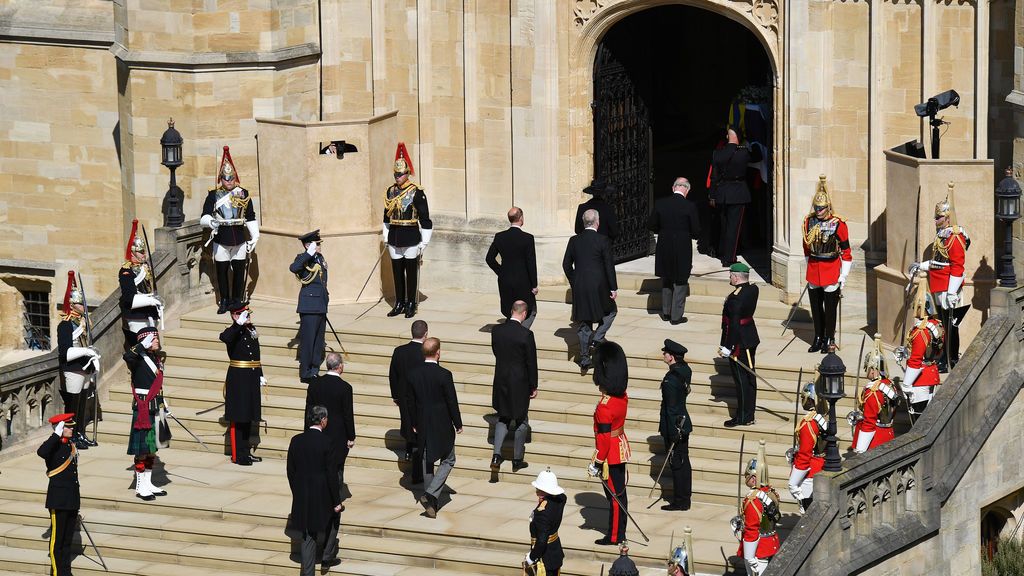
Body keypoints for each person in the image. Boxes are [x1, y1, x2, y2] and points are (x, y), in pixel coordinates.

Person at [406, 337, 463, 518]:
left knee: (427, 461)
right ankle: (430, 494)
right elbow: (451, 400)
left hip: (423, 422)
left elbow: (410, 403)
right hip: (442, 423)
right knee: (449, 459)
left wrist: (413, 422)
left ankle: (431, 501)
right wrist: (458, 423)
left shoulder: (413, 374)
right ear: (438, 352)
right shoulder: (444, 374)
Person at [914, 190, 970, 372]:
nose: (935, 220)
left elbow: (957, 266)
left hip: (948, 287)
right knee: (944, 325)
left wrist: (953, 291)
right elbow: (939, 261)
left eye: (938, 217)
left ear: (947, 218)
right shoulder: (942, 235)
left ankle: (951, 359)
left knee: (951, 326)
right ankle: (945, 358)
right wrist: (921, 265)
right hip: (939, 285)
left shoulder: (954, 237)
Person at [200, 145, 259, 314]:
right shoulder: (213, 195)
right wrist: (211, 222)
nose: (229, 181)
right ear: (221, 179)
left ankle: (237, 299)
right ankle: (224, 300)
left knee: (239, 271)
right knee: (222, 271)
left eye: (232, 178)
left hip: (239, 237)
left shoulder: (243, 193)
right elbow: (204, 215)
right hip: (221, 238)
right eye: (226, 179)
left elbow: (250, 216)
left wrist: (255, 236)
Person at [287, 405, 343, 575]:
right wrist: (336, 501)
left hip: (303, 495)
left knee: (307, 536)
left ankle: (308, 572)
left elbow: (291, 471)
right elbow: (331, 475)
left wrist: (297, 492)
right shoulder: (327, 442)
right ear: (323, 420)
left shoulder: (296, 440)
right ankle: (326, 556)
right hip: (323, 496)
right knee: (335, 517)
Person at [562, 208, 618, 370]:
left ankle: (585, 358)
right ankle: (597, 338)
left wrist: (575, 281)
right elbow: (609, 266)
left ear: (583, 222)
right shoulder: (603, 240)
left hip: (581, 286)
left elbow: (566, 265)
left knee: (584, 322)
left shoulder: (574, 240)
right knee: (611, 311)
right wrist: (613, 287)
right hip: (599, 286)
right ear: (597, 222)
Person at [802, 175, 852, 353]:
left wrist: (843, 275)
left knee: (830, 309)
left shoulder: (838, 224)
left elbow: (846, 251)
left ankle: (829, 337)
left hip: (831, 269)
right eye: (816, 207)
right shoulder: (809, 221)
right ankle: (818, 336)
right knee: (816, 308)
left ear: (828, 207)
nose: (818, 211)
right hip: (814, 268)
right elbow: (806, 246)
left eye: (821, 208)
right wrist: (809, 265)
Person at [588, 341, 631, 546]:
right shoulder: (622, 397)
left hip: (609, 454)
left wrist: (597, 461)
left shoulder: (604, 407)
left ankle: (615, 536)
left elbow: (604, 439)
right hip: (619, 447)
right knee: (620, 494)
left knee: (614, 497)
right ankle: (619, 531)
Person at [383, 143, 433, 318]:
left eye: (400, 174)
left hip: (411, 237)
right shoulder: (390, 191)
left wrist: (423, 243)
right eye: (396, 174)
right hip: (395, 237)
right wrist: (385, 236)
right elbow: (386, 217)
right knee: (397, 272)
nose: (397, 177)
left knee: (411, 272)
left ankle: (411, 302)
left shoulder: (417, 192)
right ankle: (399, 302)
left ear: (407, 174)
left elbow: (426, 220)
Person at [490, 300, 539, 474]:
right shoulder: (526, 335)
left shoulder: (497, 331)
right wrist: (533, 385)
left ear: (511, 311)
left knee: (503, 417)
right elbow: (531, 362)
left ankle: (496, 455)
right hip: (519, 382)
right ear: (524, 314)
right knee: (521, 419)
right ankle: (517, 459)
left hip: (502, 379)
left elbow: (496, 351)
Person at [123, 326, 168, 501]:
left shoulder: (155, 358)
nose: (157, 341)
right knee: (142, 449)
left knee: (151, 449)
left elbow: (157, 384)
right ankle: (140, 487)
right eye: (154, 338)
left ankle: (148, 484)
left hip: (156, 405)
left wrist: (164, 404)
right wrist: (141, 345)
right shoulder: (138, 358)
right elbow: (127, 356)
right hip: (143, 408)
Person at [56, 271, 100, 449]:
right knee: (72, 406)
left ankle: (80, 433)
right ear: (73, 305)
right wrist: (86, 351)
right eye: (81, 303)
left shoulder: (84, 321)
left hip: (85, 368)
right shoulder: (66, 324)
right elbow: (66, 352)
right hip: (73, 368)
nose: (84, 306)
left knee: (83, 404)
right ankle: (71, 435)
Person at [649, 177, 701, 325]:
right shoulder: (690, 206)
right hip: (682, 246)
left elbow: (651, 224)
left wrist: (664, 231)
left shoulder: (661, 203)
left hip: (664, 244)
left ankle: (666, 312)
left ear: (673, 188)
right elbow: (696, 230)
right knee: (681, 279)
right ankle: (676, 316)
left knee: (667, 277)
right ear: (687, 190)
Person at [220, 304, 265, 466]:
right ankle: (238, 455)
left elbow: (255, 354)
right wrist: (237, 324)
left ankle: (246, 452)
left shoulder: (250, 330)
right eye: (244, 314)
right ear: (234, 315)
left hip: (251, 377)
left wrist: (260, 375)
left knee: (248, 417)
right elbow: (225, 338)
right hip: (238, 379)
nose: (248, 317)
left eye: (248, 314)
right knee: (239, 418)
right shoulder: (233, 331)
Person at [710, 126, 762, 266]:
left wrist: (712, 196)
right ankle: (729, 258)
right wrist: (755, 145)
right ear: (738, 138)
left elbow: (714, 177)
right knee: (734, 227)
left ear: (728, 137)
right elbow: (758, 156)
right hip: (738, 194)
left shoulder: (717, 153)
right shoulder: (743, 152)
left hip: (721, 194)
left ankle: (721, 250)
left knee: (725, 225)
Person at [306, 353, 356, 494]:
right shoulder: (345, 388)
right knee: (337, 467)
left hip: (317, 433)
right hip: (338, 436)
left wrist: (307, 431)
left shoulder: (314, 384)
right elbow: (348, 414)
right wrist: (351, 436)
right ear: (340, 366)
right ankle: (335, 499)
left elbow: (308, 411)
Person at [37, 413, 80, 576]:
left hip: (71, 499)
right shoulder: (53, 446)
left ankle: (66, 572)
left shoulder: (71, 445)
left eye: (70, 426)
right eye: (68, 427)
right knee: (57, 540)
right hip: (58, 500)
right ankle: (56, 573)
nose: (71, 429)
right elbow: (41, 452)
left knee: (67, 540)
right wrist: (56, 434)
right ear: (60, 428)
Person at [719, 262, 760, 427]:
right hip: (749, 337)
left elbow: (733, 325)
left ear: (736, 277)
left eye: (730, 275)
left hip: (740, 342)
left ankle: (744, 416)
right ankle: (748, 413)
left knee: (743, 380)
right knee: (749, 377)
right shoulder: (753, 289)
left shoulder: (735, 298)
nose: (730, 277)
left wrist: (728, 347)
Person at [485, 207, 539, 328]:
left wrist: (501, 272)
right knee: (530, 310)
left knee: (510, 310)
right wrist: (534, 284)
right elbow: (531, 262)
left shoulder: (500, 236)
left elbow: (489, 259)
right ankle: (519, 333)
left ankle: (511, 331)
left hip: (506, 280)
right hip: (523, 281)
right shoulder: (527, 238)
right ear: (521, 218)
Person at [388, 320, 428, 483]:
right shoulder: (427, 352)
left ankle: (407, 451)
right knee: (419, 432)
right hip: (421, 399)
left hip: (404, 398)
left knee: (407, 423)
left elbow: (393, 375)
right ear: (425, 334)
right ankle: (417, 473)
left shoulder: (399, 351)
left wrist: (396, 396)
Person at [289, 229, 330, 382]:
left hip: (320, 304)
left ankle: (314, 370)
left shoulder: (320, 258)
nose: (319, 246)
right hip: (309, 305)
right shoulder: (303, 258)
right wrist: (308, 254)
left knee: (318, 341)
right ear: (308, 246)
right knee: (308, 341)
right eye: (316, 244)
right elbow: (293, 268)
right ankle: (305, 373)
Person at [900, 276, 944, 414]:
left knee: (919, 416)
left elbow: (916, 358)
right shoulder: (936, 325)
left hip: (921, 377)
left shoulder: (921, 331)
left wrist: (906, 383)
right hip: (932, 372)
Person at [658, 339, 692, 511]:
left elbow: (671, 408)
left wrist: (672, 432)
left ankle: (681, 501)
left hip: (675, 425)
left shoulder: (670, 380)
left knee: (677, 463)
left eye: (666, 353)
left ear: (671, 357)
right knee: (683, 461)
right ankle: (684, 498)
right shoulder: (685, 370)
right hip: (684, 421)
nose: (663, 355)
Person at [737, 442, 781, 576]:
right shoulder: (771, 492)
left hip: (758, 549)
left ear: (754, 477)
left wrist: (750, 556)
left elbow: (751, 529)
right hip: (771, 541)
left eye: (749, 475)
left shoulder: (753, 499)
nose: (747, 478)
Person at [119, 218, 162, 349]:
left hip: (149, 313)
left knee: (152, 348)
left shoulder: (145, 267)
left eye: (144, 251)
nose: (144, 254)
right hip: (136, 315)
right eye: (141, 252)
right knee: (140, 348)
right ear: (132, 253)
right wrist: (150, 300)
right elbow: (129, 297)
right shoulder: (126, 271)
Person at [851, 334, 899, 453]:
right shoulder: (889, 384)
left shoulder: (873, 391)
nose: (865, 370)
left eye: (867, 367)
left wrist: (860, 449)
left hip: (875, 440)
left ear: (873, 369)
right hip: (888, 433)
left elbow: (869, 423)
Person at [787, 382, 826, 514]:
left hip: (811, 471)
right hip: (823, 464)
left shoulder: (808, 423)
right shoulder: (822, 418)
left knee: (808, 513)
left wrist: (793, 482)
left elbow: (804, 454)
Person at [523, 468, 567, 576]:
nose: (537, 491)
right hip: (555, 551)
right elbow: (561, 495)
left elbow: (542, 541)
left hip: (545, 557)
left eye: (540, 489)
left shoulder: (542, 514)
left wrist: (532, 557)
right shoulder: (560, 500)